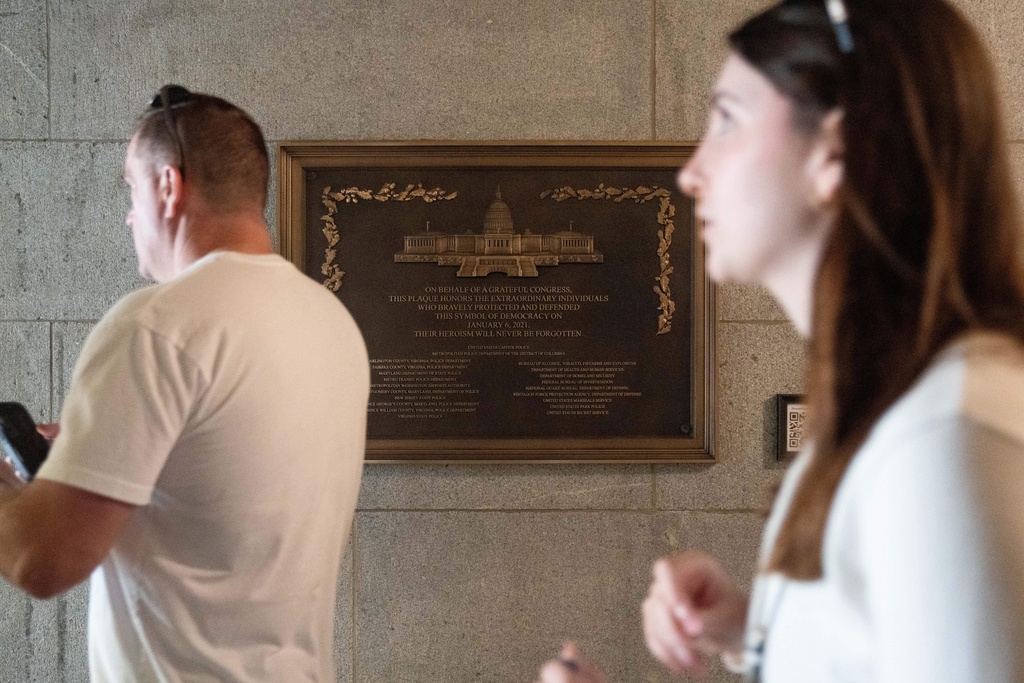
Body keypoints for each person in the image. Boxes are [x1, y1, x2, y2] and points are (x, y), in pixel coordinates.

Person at [538, 0, 1024, 680]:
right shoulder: (888, 412)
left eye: (727, 120)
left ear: (835, 150)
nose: (690, 172)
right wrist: (752, 625)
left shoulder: (945, 437)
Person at [0, 86, 370, 681]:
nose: (128, 215)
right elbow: (223, 474)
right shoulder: (332, 324)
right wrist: (99, 454)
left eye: (130, 187)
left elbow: (41, 560)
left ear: (169, 187)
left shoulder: (156, 324)